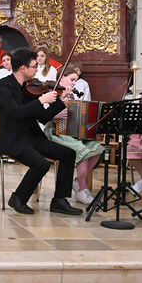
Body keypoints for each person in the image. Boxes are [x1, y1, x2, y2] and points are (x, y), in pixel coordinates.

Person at [0, 48, 80, 216]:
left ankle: (59, 201)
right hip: (13, 139)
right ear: (23, 68)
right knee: (41, 164)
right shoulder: (4, 85)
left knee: (68, 154)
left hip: (31, 137)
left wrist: (61, 98)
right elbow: (15, 112)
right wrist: (40, 100)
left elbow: (43, 118)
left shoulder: (29, 87)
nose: (36, 70)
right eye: (34, 66)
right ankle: (18, 198)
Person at [46, 64, 105, 205]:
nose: (74, 83)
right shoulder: (52, 93)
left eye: (76, 80)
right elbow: (43, 114)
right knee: (82, 150)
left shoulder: (73, 94)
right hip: (55, 132)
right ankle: (82, 189)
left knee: (97, 148)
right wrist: (61, 101)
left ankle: (78, 181)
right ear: (62, 78)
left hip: (72, 133)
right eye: (72, 79)